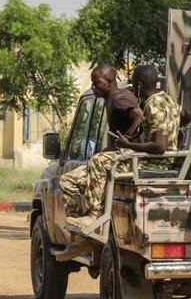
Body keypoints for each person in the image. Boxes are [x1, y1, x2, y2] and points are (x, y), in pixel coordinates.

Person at [65, 65, 180, 230]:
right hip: (162, 159)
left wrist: (128, 144)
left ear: (139, 86)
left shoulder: (153, 104)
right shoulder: (170, 101)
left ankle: (93, 215)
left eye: (134, 85)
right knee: (91, 167)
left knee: (98, 160)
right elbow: (186, 117)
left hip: (155, 161)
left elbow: (159, 146)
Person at [59, 64, 143, 216]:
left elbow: (138, 116)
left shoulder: (120, 99)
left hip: (125, 159)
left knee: (94, 163)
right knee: (67, 180)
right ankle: (78, 221)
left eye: (96, 83)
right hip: (114, 157)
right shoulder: (110, 99)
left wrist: (128, 138)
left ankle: (94, 215)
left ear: (110, 82)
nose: (92, 87)